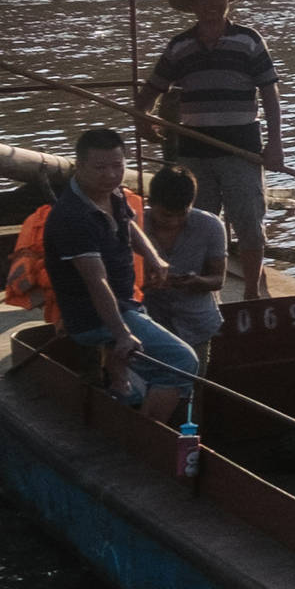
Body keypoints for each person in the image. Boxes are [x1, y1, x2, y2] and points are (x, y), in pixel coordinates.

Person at [140, 0, 285, 300]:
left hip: (242, 149)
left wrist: (275, 144)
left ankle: (252, 292)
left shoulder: (248, 41)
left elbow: (270, 92)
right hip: (196, 151)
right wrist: (143, 117)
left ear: (228, 0)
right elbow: (149, 92)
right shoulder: (180, 47)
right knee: (200, 224)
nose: (212, 5)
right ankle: (207, 294)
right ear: (192, 4)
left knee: (249, 223)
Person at [47, 128, 200, 424]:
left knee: (133, 382)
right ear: (79, 166)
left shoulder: (112, 194)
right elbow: (96, 282)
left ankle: (122, 395)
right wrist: (120, 334)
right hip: (96, 315)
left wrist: (153, 257)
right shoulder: (72, 217)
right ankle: (147, 436)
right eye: (100, 167)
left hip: (125, 303)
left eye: (118, 166)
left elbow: (128, 224)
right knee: (181, 362)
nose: (111, 175)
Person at [141, 166, 230, 367]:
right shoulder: (134, 224)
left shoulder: (211, 226)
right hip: (148, 324)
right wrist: (145, 283)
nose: (174, 221)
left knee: (193, 386)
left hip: (195, 325)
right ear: (150, 203)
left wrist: (196, 281)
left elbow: (218, 279)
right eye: (165, 215)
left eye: (181, 215)